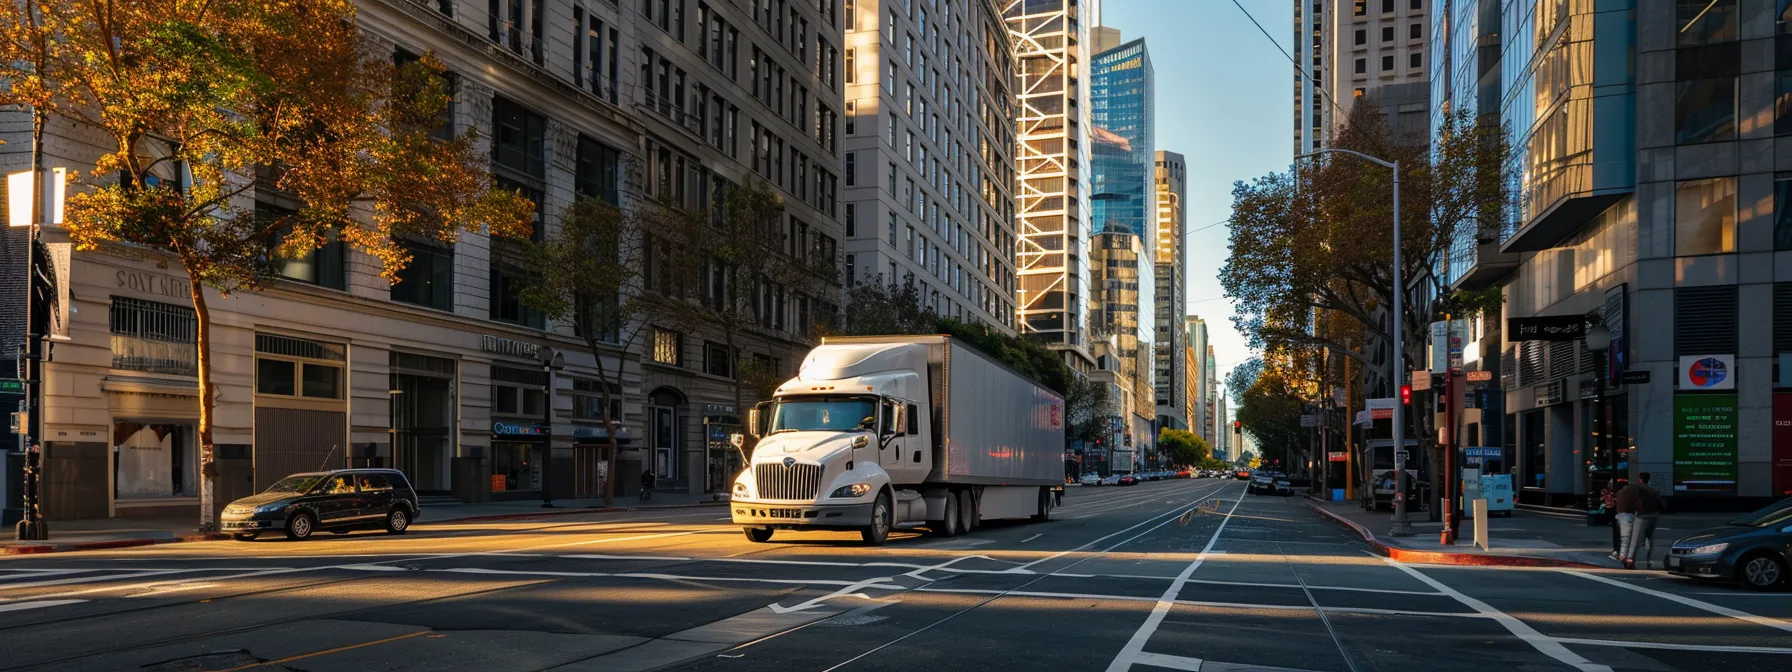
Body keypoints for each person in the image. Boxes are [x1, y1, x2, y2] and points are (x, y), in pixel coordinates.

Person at [1617, 472, 1666, 570]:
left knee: (1635, 539)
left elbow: (1636, 501)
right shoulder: (1654, 490)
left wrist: (1637, 510)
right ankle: (1648, 560)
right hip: (1653, 515)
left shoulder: (1637, 488)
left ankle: (1630, 559)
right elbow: (1663, 504)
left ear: (1639, 479)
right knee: (1649, 538)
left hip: (1642, 516)